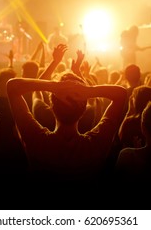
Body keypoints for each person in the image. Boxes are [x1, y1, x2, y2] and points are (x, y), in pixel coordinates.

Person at [7, 61, 127, 208]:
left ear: (52, 106)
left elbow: (12, 86)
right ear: (83, 111)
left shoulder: (36, 140)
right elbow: (121, 94)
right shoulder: (96, 144)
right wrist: (88, 92)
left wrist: (53, 87)